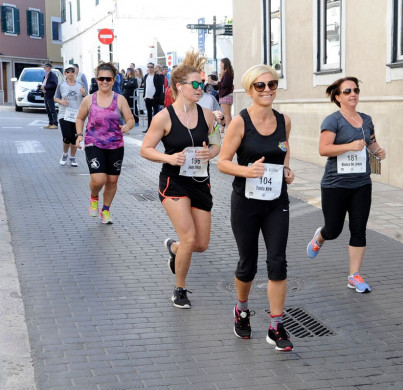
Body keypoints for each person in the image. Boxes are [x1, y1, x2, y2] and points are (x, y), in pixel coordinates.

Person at [217, 64, 295, 352]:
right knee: (247, 264)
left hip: (277, 201)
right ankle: (242, 309)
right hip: (246, 202)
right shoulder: (240, 122)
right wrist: (247, 171)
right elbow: (223, 161)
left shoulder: (284, 120)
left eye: (272, 84)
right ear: (250, 90)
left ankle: (276, 326)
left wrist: (287, 171)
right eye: (260, 86)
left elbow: (285, 152)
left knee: (277, 261)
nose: (267, 90)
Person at [140, 50, 220, 309]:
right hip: (173, 183)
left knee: (201, 244)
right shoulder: (164, 117)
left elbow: (218, 143)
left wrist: (212, 152)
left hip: (200, 183)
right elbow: (145, 149)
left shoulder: (208, 115)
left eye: (203, 84)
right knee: (188, 238)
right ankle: (180, 288)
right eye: (195, 84)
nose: (200, 88)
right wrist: (169, 158)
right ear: (179, 87)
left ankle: (174, 249)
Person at [306, 76, 386, 293]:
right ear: (338, 97)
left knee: (358, 229)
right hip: (335, 184)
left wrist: (377, 150)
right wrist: (350, 146)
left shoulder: (366, 120)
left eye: (356, 90)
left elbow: (370, 142)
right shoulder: (333, 121)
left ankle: (354, 276)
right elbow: (324, 149)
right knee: (334, 229)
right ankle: (320, 236)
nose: (353, 94)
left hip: (361, 183)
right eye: (348, 91)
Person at [75, 62, 135, 224]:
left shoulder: (120, 99)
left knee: (112, 181)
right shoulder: (89, 100)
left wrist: (127, 126)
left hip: (116, 145)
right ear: (96, 79)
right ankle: (94, 198)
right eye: (101, 78)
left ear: (114, 79)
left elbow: (130, 119)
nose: (104, 82)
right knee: (99, 180)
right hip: (94, 143)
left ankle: (105, 210)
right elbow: (80, 118)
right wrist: (79, 135)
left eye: (108, 78)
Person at [54, 65, 86, 167]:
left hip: (77, 115)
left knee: (74, 139)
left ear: (75, 73)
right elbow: (55, 98)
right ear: (65, 74)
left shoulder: (80, 84)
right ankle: (64, 154)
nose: (70, 73)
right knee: (67, 137)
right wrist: (61, 101)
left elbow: (87, 98)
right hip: (64, 114)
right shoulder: (61, 85)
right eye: (68, 72)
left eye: (72, 71)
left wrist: (84, 93)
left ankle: (72, 157)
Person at [141, 62, 164, 133]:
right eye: (148, 67)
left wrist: (154, 96)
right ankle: (149, 128)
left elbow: (159, 88)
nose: (150, 68)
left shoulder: (157, 76)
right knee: (149, 114)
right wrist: (144, 95)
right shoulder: (146, 76)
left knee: (156, 114)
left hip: (154, 98)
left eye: (151, 67)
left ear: (154, 68)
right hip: (147, 98)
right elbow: (145, 87)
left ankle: (157, 128)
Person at [41, 62, 58, 129]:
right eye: (44, 67)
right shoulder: (46, 75)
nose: (44, 68)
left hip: (50, 94)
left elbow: (54, 84)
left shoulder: (52, 75)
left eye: (45, 67)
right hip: (46, 94)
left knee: (52, 109)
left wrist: (45, 87)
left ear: (49, 68)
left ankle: (55, 123)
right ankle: (50, 123)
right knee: (48, 109)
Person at [218, 58, 234, 129]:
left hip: (225, 95)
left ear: (225, 63)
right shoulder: (228, 72)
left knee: (227, 114)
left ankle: (229, 130)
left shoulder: (227, 73)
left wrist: (218, 82)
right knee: (227, 114)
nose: (220, 65)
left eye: (221, 63)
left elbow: (224, 84)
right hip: (226, 95)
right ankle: (229, 129)